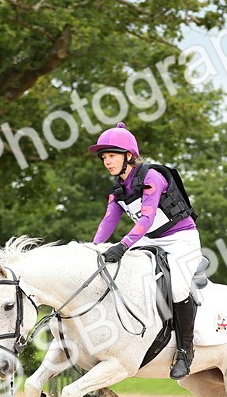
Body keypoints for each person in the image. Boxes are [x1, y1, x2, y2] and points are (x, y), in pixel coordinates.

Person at [87, 122, 203, 380]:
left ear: (128, 155)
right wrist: (93, 250)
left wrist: (123, 246)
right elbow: (108, 221)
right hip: (149, 239)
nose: (107, 161)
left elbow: (147, 218)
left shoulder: (152, 176)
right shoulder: (117, 190)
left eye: (112, 156)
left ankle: (185, 350)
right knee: (119, 273)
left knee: (178, 289)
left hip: (180, 239)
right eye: (104, 157)